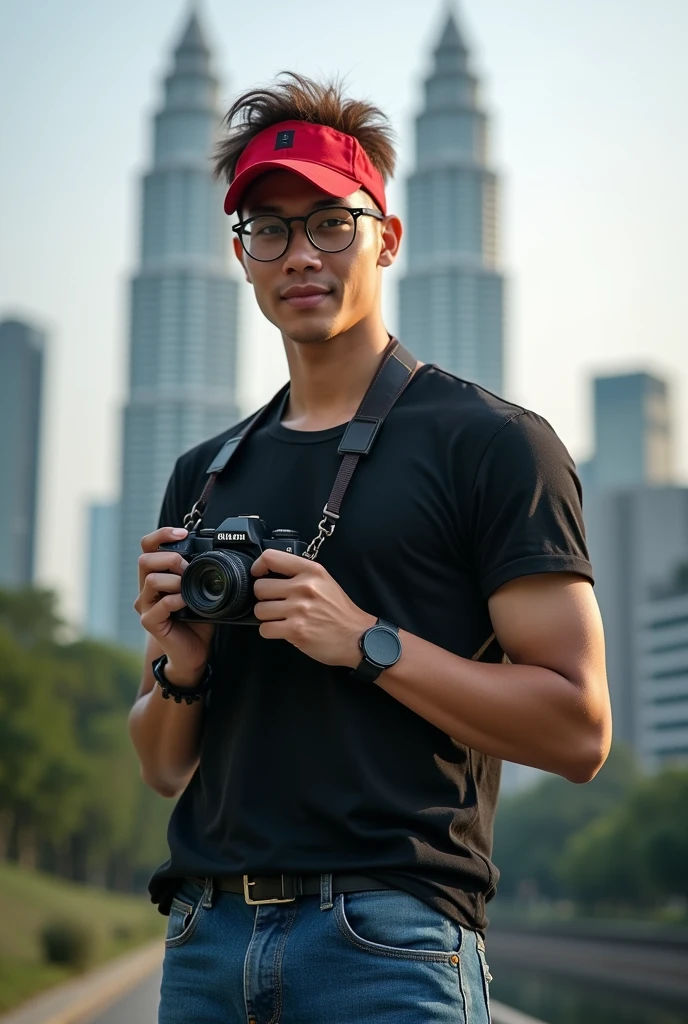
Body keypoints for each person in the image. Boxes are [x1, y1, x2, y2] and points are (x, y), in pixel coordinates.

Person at [129, 73, 611, 1024]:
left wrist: (364, 641)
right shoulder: (206, 473)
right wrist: (178, 664)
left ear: (385, 236)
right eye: (268, 229)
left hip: (389, 943)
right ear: (243, 257)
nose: (299, 254)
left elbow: (578, 728)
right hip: (204, 942)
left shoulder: (493, 444)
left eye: (329, 223)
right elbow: (163, 766)